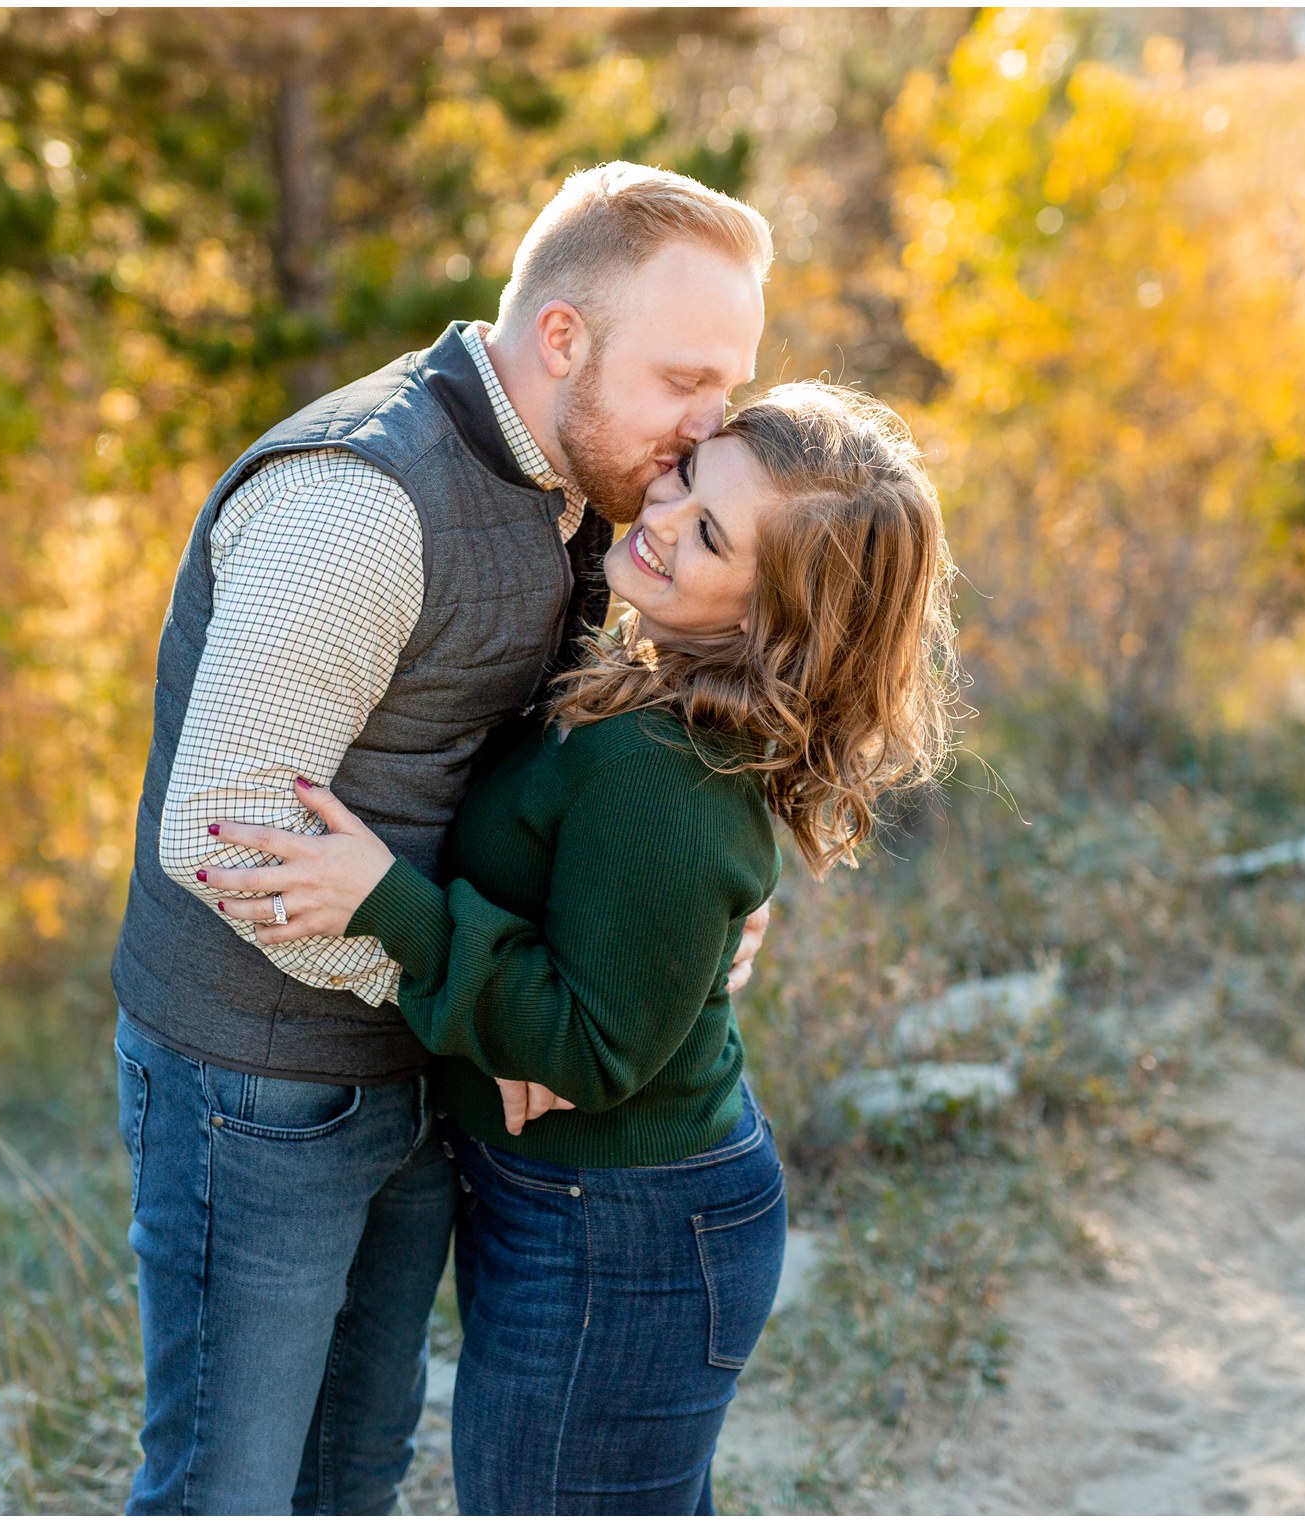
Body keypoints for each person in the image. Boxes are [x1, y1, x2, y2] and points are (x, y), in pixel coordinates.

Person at [107, 163, 776, 1514]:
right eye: (684, 381)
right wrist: (479, 1008)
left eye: (733, 385)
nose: (709, 428)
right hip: (263, 1087)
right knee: (224, 1489)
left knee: (355, 1473)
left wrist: (682, 921)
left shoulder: (588, 485)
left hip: (419, 1073)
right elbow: (224, 828)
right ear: (563, 339)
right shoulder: (361, 504)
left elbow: (625, 762)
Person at [210, 382, 962, 1513]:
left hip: (626, 1237)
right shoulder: (643, 675)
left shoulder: (662, 766)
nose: (659, 516)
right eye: (686, 475)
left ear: (778, 622)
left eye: (710, 534)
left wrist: (383, 900)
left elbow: (592, 1048)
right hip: (585, 1206)